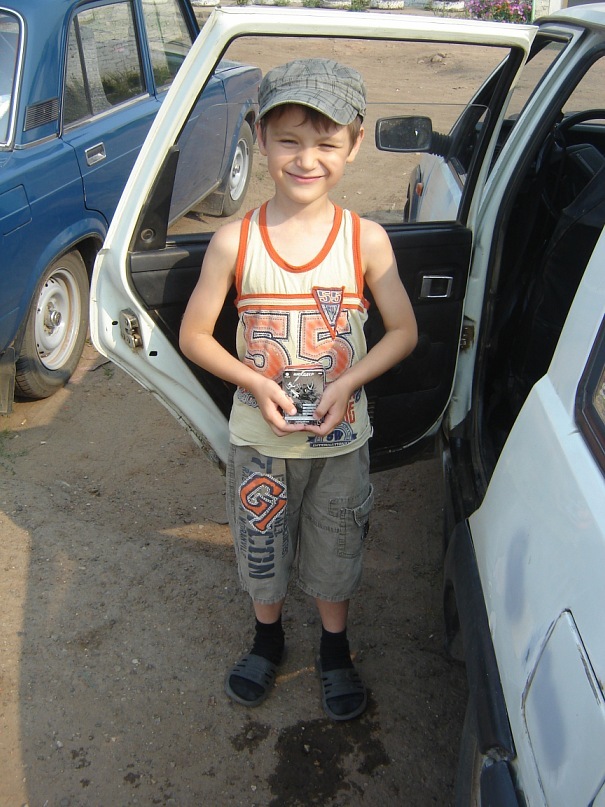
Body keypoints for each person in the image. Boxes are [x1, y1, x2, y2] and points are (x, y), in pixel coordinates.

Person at [179, 58, 418, 721]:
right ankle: (268, 639)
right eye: (288, 140)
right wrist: (256, 381)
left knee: (337, 545)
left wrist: (348, 382)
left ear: (355, 145)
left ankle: (334, 649)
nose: (306, 159)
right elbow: (195, 335)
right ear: (259, 138)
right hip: (260, 443)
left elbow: (403, 331)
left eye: (326, 143)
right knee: (262, 546)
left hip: (342, 443)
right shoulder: (233, 241)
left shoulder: (366, 240)